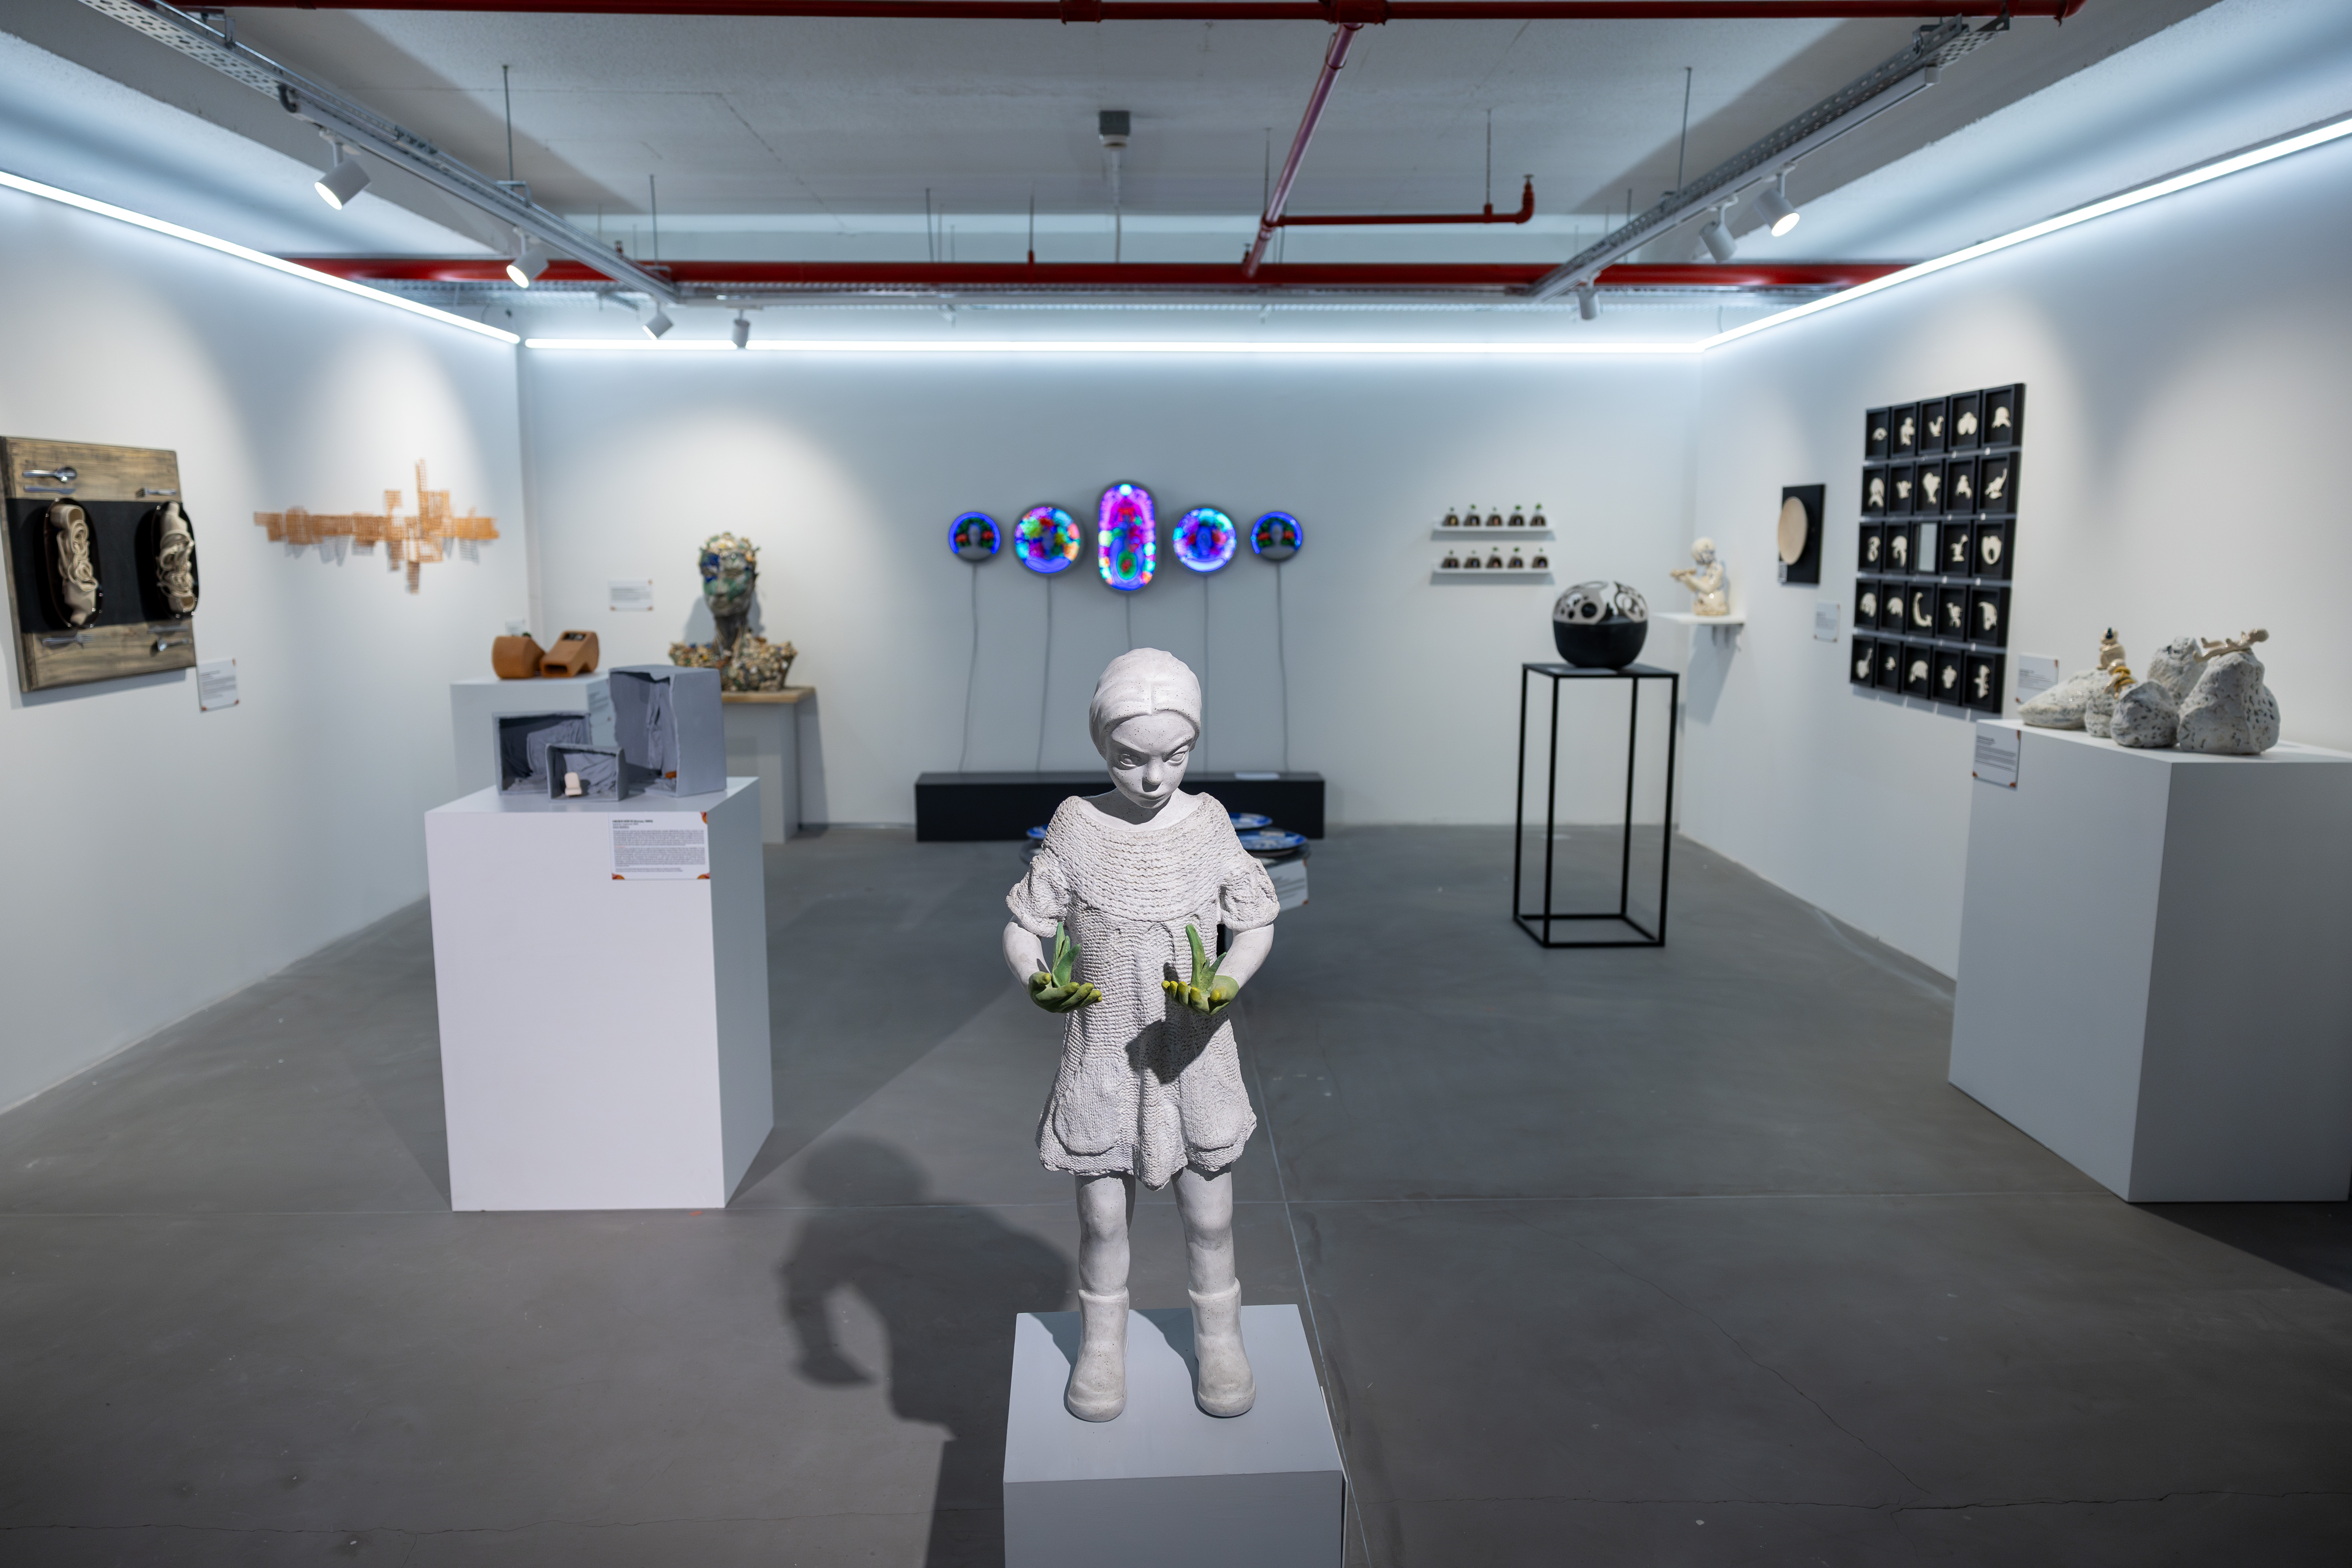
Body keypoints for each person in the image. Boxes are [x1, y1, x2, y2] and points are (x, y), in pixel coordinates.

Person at [1000, 649, 1281, 1422]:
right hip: (1104, 1050)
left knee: (1211, 1216)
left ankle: (1219, 1335)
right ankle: (1101, 1341)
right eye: (1130, 758)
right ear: (1102, 744)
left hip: (1190, 1049)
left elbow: (1255, 919)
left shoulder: (1207, 822)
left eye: (1174, 755)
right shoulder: (1076, 824)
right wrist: (1034, 975)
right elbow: (1025, 924)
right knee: (1100, 1219)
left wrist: (1226, 980)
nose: (1155, 777)